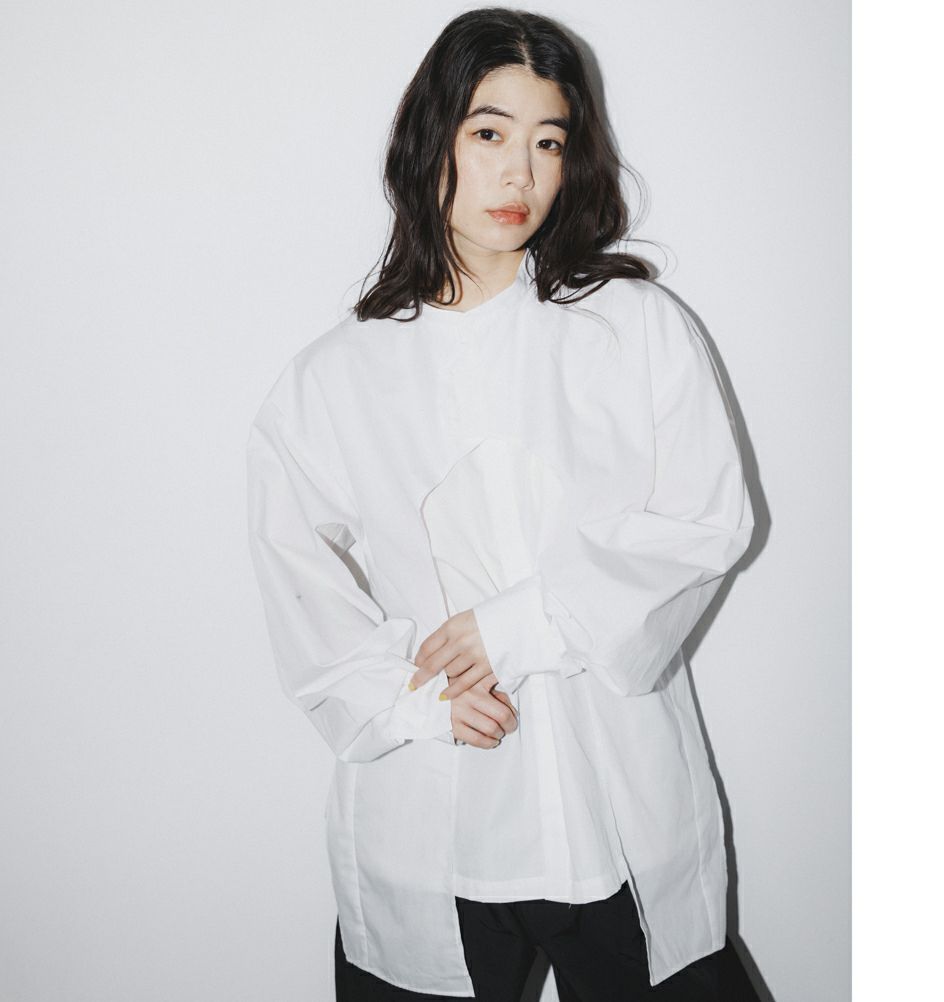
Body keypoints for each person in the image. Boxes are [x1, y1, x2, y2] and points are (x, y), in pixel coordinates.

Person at [246, 8, 759, 1001]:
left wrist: (521, 625)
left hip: (616, 816)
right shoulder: (335, 377)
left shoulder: (634, 328)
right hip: (429, 828)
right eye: (489, 133)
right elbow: (293, 575)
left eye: (548, 142)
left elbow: (706, 525)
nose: (519, 173)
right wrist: (408, 699)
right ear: (431, 139)